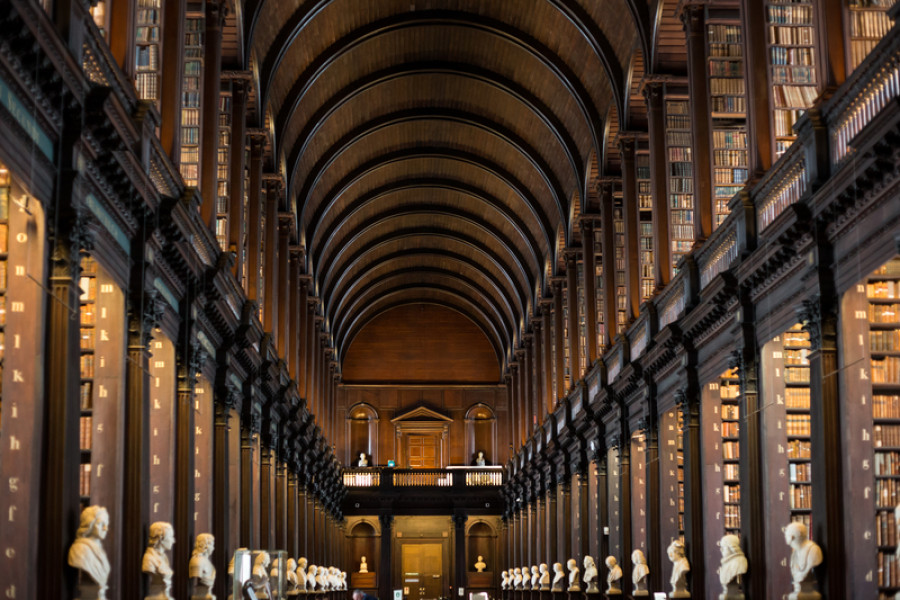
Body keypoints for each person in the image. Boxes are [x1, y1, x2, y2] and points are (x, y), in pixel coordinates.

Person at [68, 505, 111, 599]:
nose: (105, 528)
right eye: (101, 524)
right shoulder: (79, 550)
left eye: (106, 524)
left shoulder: (100, 549)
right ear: (89, 524)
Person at [785, 521, 823, 596]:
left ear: (792, 536)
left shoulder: (814, 551)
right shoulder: (795, 553)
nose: (785, 536)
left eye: (787, 533)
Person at [142, 521, 175, 600]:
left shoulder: (164, 558)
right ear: (160, 538)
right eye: (171, 537)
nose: (173, 541)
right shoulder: (149, 558)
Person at [188, 533, 215, 600]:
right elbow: (196, 575)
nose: (213, 548)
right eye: (212, 545)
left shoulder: (206, 561)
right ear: (205, 545)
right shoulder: (197, 561)